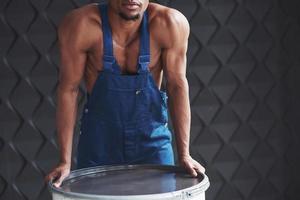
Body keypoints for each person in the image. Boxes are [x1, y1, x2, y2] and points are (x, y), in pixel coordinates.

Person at [45, 0, 205, 188]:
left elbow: (177, 86)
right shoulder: (82, 25)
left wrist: (184, 154)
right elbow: (68, 90)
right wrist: (65, 161)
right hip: (99, 144)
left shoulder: (169, 23)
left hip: (151, 143)